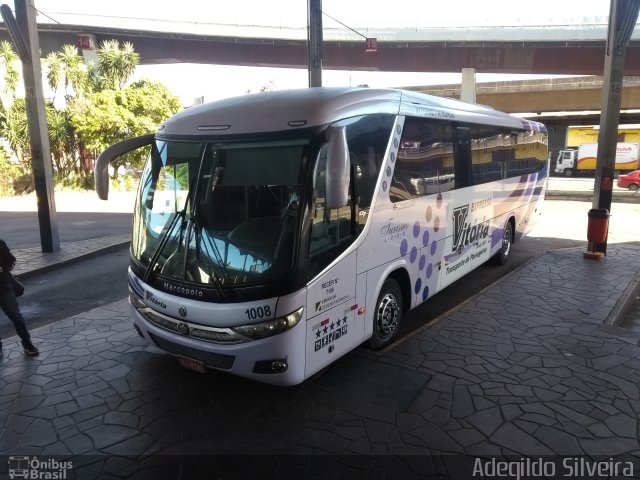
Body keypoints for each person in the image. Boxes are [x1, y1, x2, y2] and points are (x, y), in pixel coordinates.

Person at [0, 239, 39, 356]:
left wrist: (2, 269)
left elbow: (11, 260)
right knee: (16, 315)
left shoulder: (0, 244)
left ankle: (27, 343)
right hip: (4, 285)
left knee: (16, 316)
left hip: (3, 286)